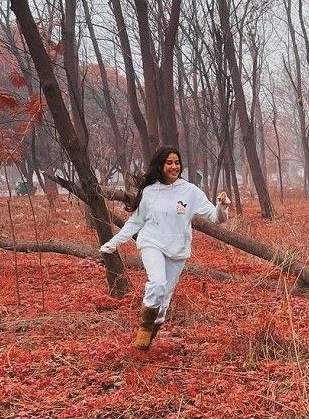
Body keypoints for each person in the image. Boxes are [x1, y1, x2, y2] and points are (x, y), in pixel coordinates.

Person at [99, 146, 231, 351]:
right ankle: (144, 327)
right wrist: (115, 242)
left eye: (177, 162)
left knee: (165, 298)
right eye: (169, 162)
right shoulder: (150, 192)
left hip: (177, 250)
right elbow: (135, 222)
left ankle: (149, 336)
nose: (174, 166)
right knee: (157, 283)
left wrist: (222, 206)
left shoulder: (190, 191)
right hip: (152, 243)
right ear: (160, 165)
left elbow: (216, 218)